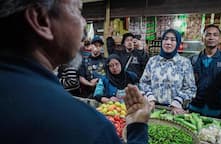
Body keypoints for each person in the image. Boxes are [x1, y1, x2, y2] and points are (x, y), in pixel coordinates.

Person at [0, 0, 150, 143]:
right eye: (77, 11)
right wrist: (137, 128)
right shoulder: (88, 126)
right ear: (41, 20)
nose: (84, 24)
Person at [139, 28, 197, 114]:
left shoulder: (184, 63)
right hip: (153, 108)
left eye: (173, 40)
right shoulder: (153, 61)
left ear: (177, 43)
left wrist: (178, 101)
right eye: (165, 39)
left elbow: (190, 88)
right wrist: (150, 98)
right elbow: (144, 83)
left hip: (175, 110)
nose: (168, 42)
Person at [188, 24, 221, 119]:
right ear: (203, 38)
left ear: (220, 39)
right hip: (195, 108)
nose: (211, 37)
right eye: (208, 34)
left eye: (215, 35)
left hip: (217, 110)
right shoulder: (193, 60)